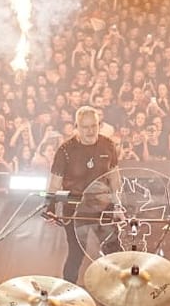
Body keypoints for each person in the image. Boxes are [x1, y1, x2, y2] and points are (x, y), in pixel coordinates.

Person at [48, 106, 119, 282]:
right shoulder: (65, 150)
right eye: (85, 127)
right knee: (76, 252)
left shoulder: (108, 145)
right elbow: (55, 183)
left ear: (99, 124)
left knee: (113, 249)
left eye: (94, 126)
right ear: (76, 127)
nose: (90, 131)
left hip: (102, 204)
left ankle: (118, 288)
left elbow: (115, 177)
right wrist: (50, 207)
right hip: (75, 207)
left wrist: (118, 204)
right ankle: (68, 289)